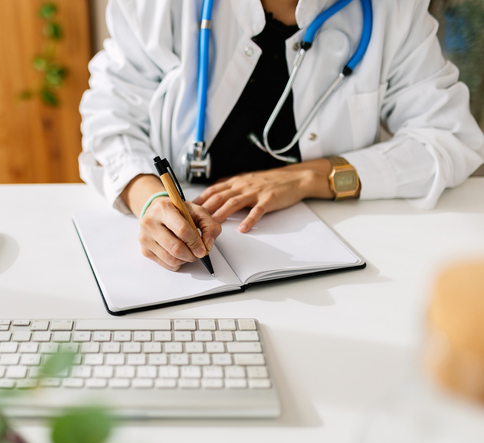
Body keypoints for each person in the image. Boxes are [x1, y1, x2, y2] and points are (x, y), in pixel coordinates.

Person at [79, 0, 484, 272]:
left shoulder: (392, 9)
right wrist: (151, 199)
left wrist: (312, 177)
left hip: (333, 256)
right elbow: (110, 118)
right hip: (193, 262)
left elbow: (448, 138)